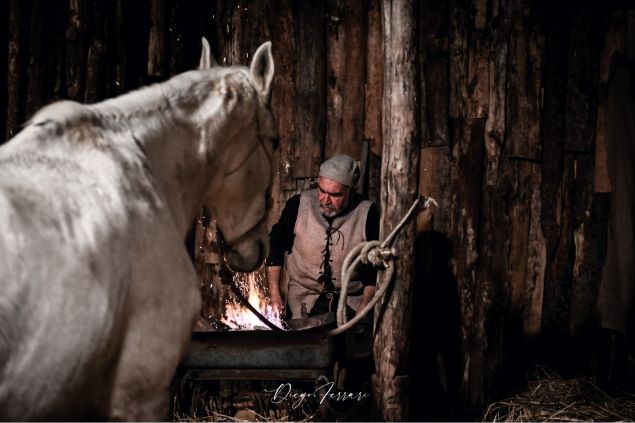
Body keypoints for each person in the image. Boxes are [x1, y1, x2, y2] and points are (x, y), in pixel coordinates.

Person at [266, 154, 379, 323]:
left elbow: (374, 270)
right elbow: (275, 246)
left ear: (351, 192)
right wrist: (275, 294)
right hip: (303, 301)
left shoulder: (368, 213)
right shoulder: (298, 205)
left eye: (335, 195)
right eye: (321, 191)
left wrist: (364, 308)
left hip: (350, 303)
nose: (325, 200)